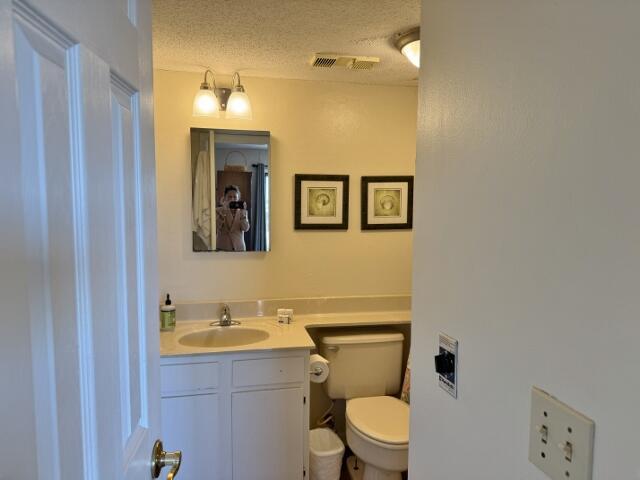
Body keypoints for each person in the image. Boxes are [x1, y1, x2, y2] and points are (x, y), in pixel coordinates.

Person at [216, 185, 250, 251]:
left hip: (239, 248)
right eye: (229, 197)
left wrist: (243, 213)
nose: (232, 199)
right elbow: (217, 226)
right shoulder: (218, 210)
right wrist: (224, 210)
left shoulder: (242, 212)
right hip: (223, 248)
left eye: (235, 197)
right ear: (224, 198)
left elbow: (245, 228)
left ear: (238, 199)